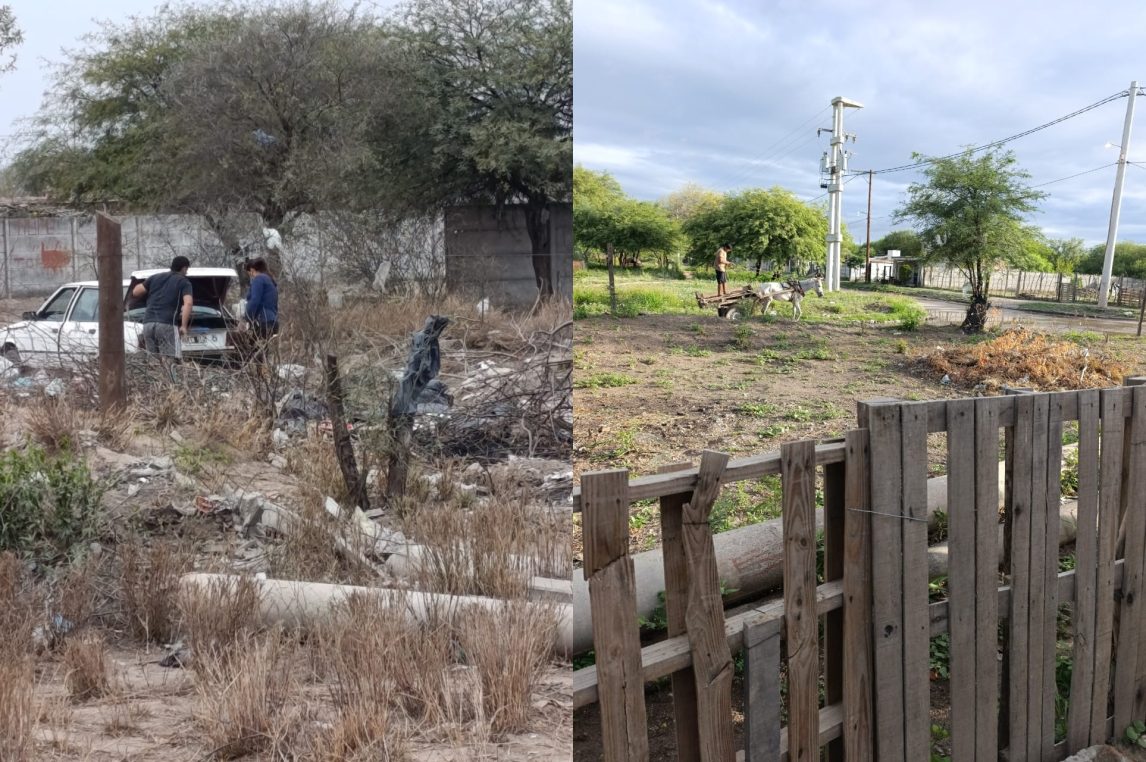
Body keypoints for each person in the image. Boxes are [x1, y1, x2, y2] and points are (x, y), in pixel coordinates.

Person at [131, 255, 193, 361]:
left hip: (148, 324)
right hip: (167, 324)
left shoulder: (155, 277)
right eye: (187, 269)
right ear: (184, 268)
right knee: (170, 360)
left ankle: (155, 370)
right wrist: (183, 326)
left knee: (153, 360)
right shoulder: (184, 282)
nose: (186, 272)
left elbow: (136, 292)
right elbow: (188, 303)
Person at [244, 258, 279, 363]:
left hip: (262, 322)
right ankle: (264, 373)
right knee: (264, 355)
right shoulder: (270, 281)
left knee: (252, 353)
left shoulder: (258, 279)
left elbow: (254, 301)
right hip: (272, 322)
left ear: (252, 270)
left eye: (250, 274)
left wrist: (247, 318)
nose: (251, 277)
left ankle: (253, 373)